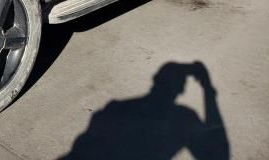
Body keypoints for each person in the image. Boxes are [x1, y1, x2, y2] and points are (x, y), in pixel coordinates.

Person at [59, 62, 229, 160]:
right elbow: (219, 154)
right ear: (181, 89)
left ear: (155, 80)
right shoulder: (183, 118)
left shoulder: (114, 108)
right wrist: (207, 88)